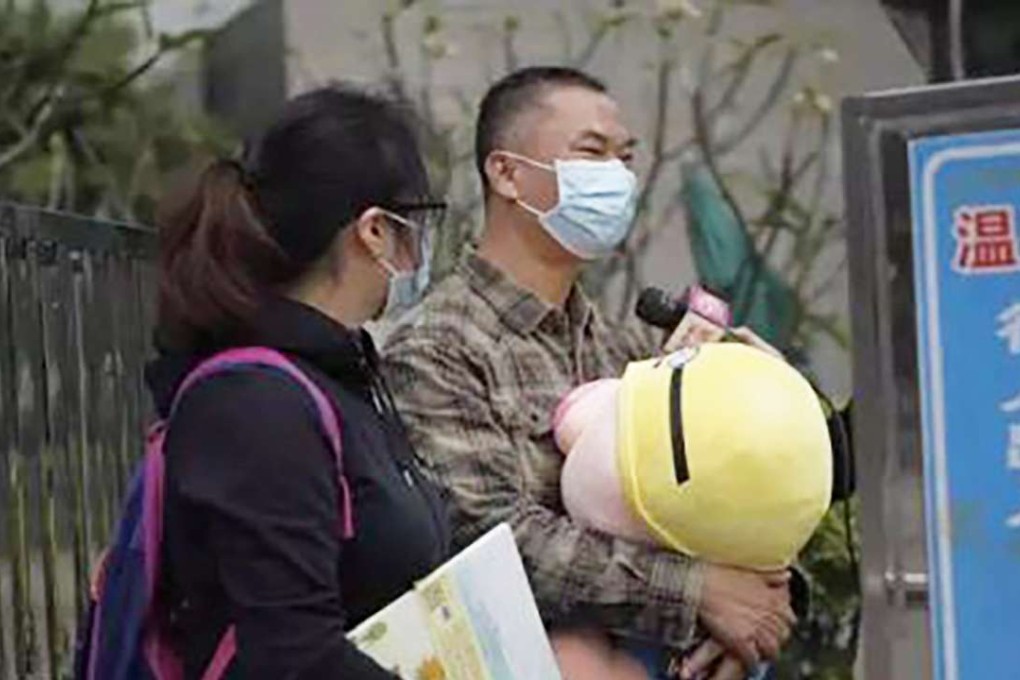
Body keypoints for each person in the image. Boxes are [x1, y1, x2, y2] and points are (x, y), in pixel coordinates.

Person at [384, 67, 795, 680]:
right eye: (592, 153)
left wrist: (754, 610)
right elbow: (491, 536)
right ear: (506, 173)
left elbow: (721, 496)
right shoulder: (437, 348)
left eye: (626, 158)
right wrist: (696, 594)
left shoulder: (628, 348)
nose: (618, 179)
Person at [146, 85, 450, 679]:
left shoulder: (343, 372)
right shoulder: (255, 406)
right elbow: (293, 658)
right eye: (419, 220)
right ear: (374, 231)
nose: (424, 246)